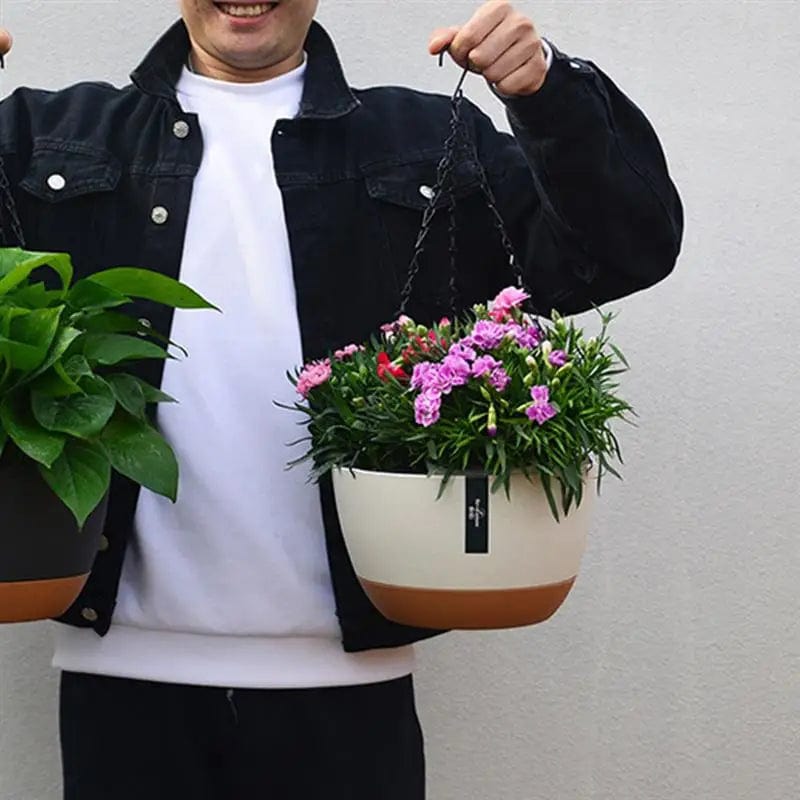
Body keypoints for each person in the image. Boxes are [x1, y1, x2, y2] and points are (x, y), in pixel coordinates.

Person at [0, 1, 682, 798]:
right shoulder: (48, 137)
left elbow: (623, 250)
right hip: (120, 685)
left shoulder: (423, 139)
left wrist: (547, 91)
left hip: (352, 691)